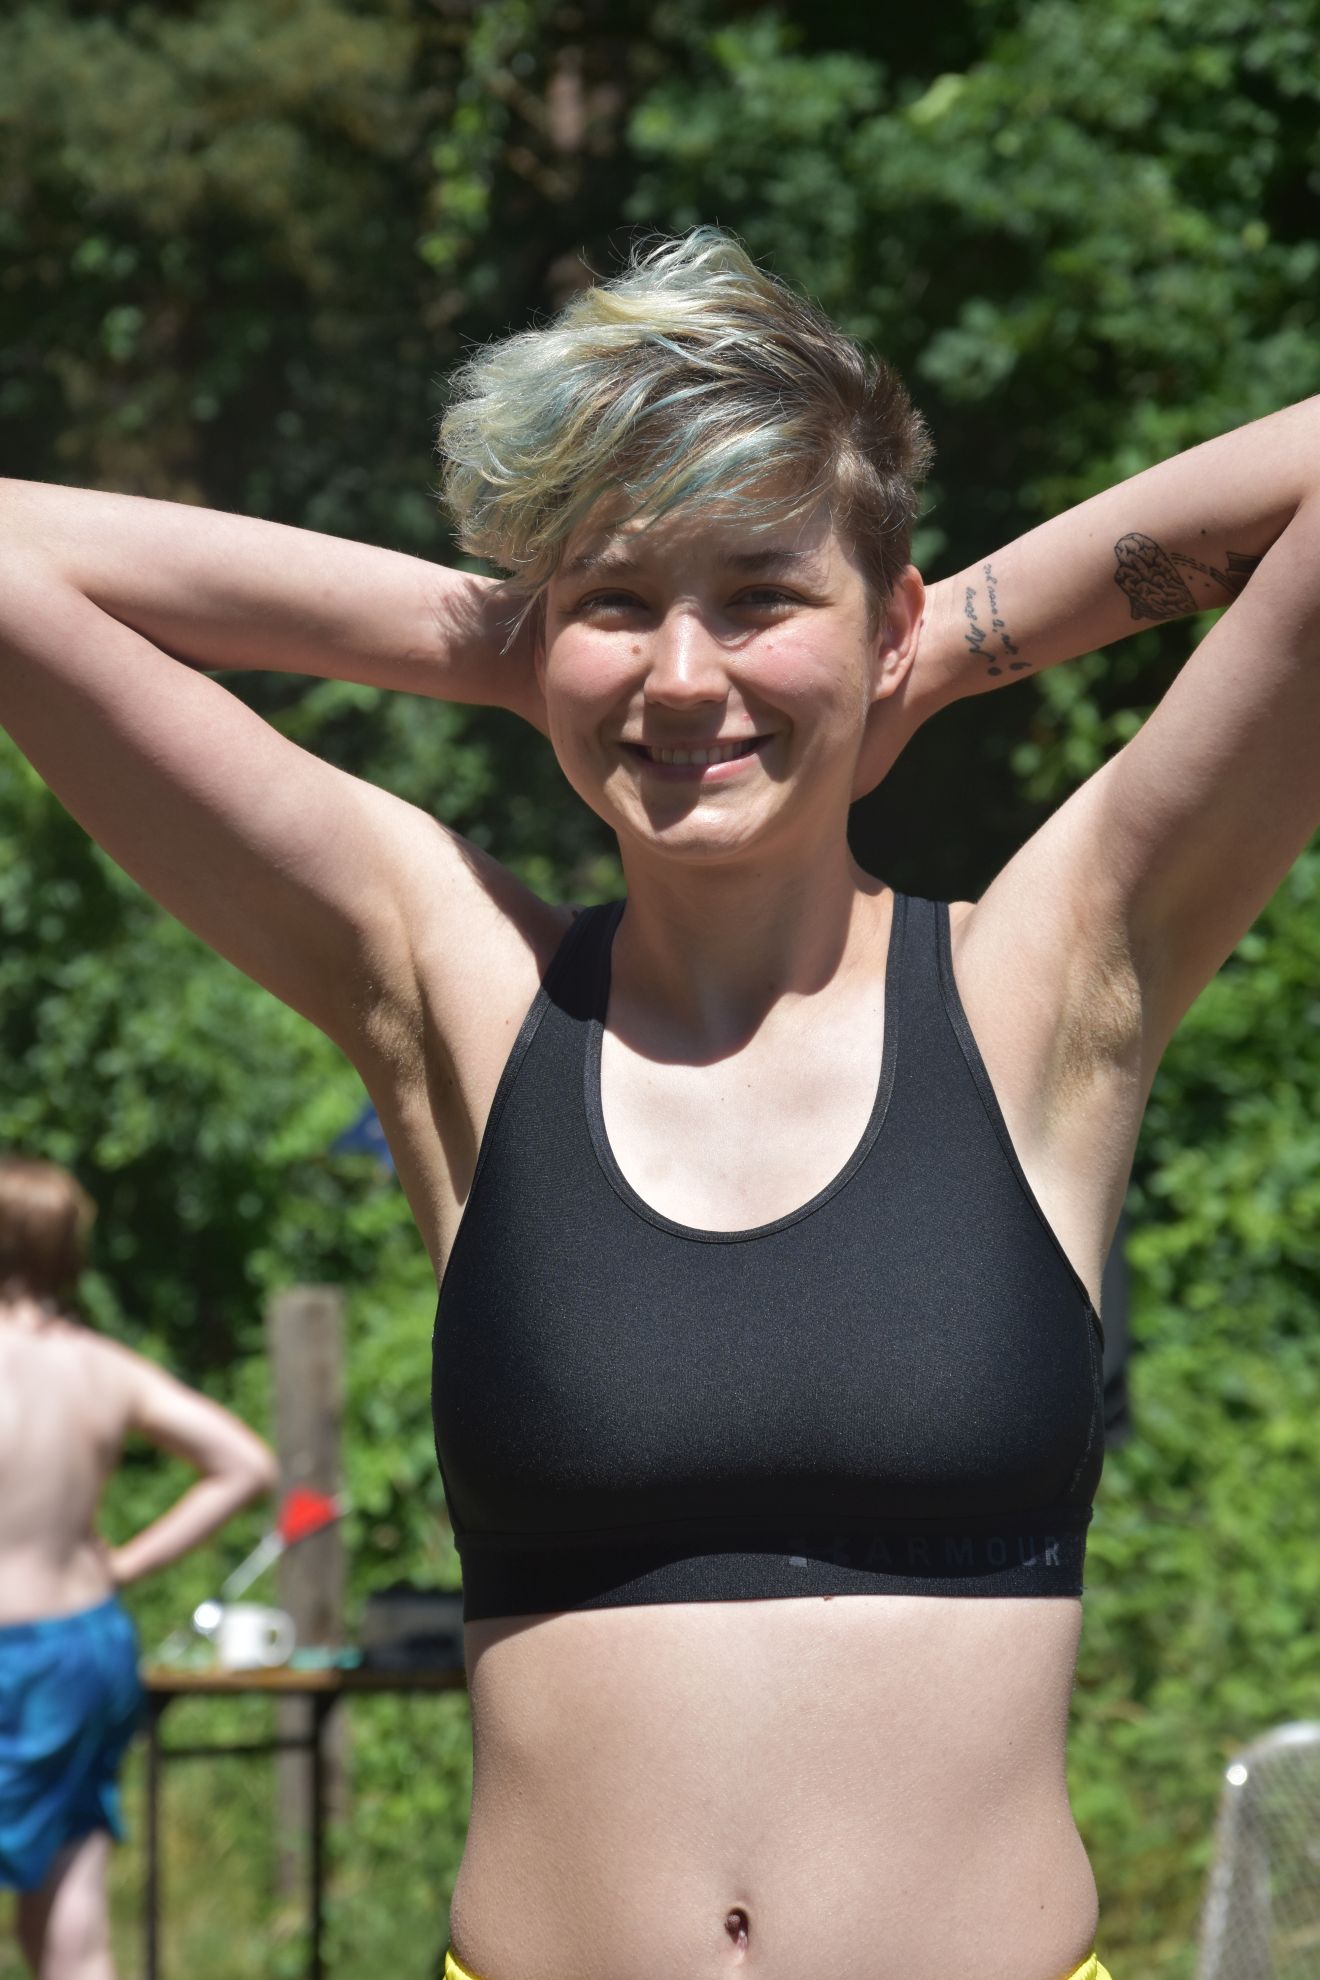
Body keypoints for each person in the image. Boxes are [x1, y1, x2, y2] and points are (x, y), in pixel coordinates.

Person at [0, 228, 1315, 1980]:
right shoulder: (456, 992)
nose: (685, 675)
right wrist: (508, 645)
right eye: (620, 602)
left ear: (886, 618)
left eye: (762, 597)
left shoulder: (1044, 988)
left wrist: (949, 649)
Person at [0, 1156, 278, 1979]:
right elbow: (245, 1465)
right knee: (70, 1919)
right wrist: (122, 1564)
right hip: (81, 1645)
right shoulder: (102, 1367)